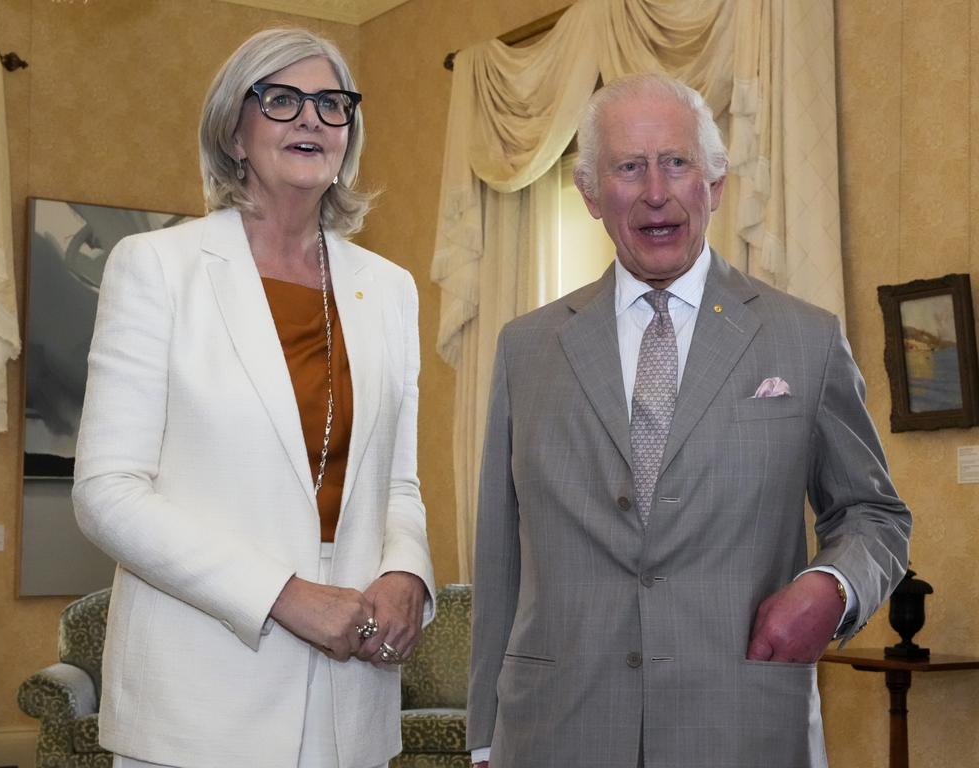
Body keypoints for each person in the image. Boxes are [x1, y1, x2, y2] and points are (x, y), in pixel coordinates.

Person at [467, 73, 910, 768]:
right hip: (556, 733)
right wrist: (484, 735)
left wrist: (834, 586)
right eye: (628, 167)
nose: (655, 192)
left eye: (676, 162)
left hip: (740, 729)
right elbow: (499, 554)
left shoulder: (805, 339)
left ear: (716, 183)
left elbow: (875, 515)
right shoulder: (528, 348)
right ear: (589, 193)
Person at [73, 27, 434, 768]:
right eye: (282, 100)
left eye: (332, 104)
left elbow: (397, 480)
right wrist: (286, 595)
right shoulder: (156, 268)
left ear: (349, 133)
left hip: (352, 698)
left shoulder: (390, 289)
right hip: (198, 700)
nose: (311, 118)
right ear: (235, 132)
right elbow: (107, 492)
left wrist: (408, 573)